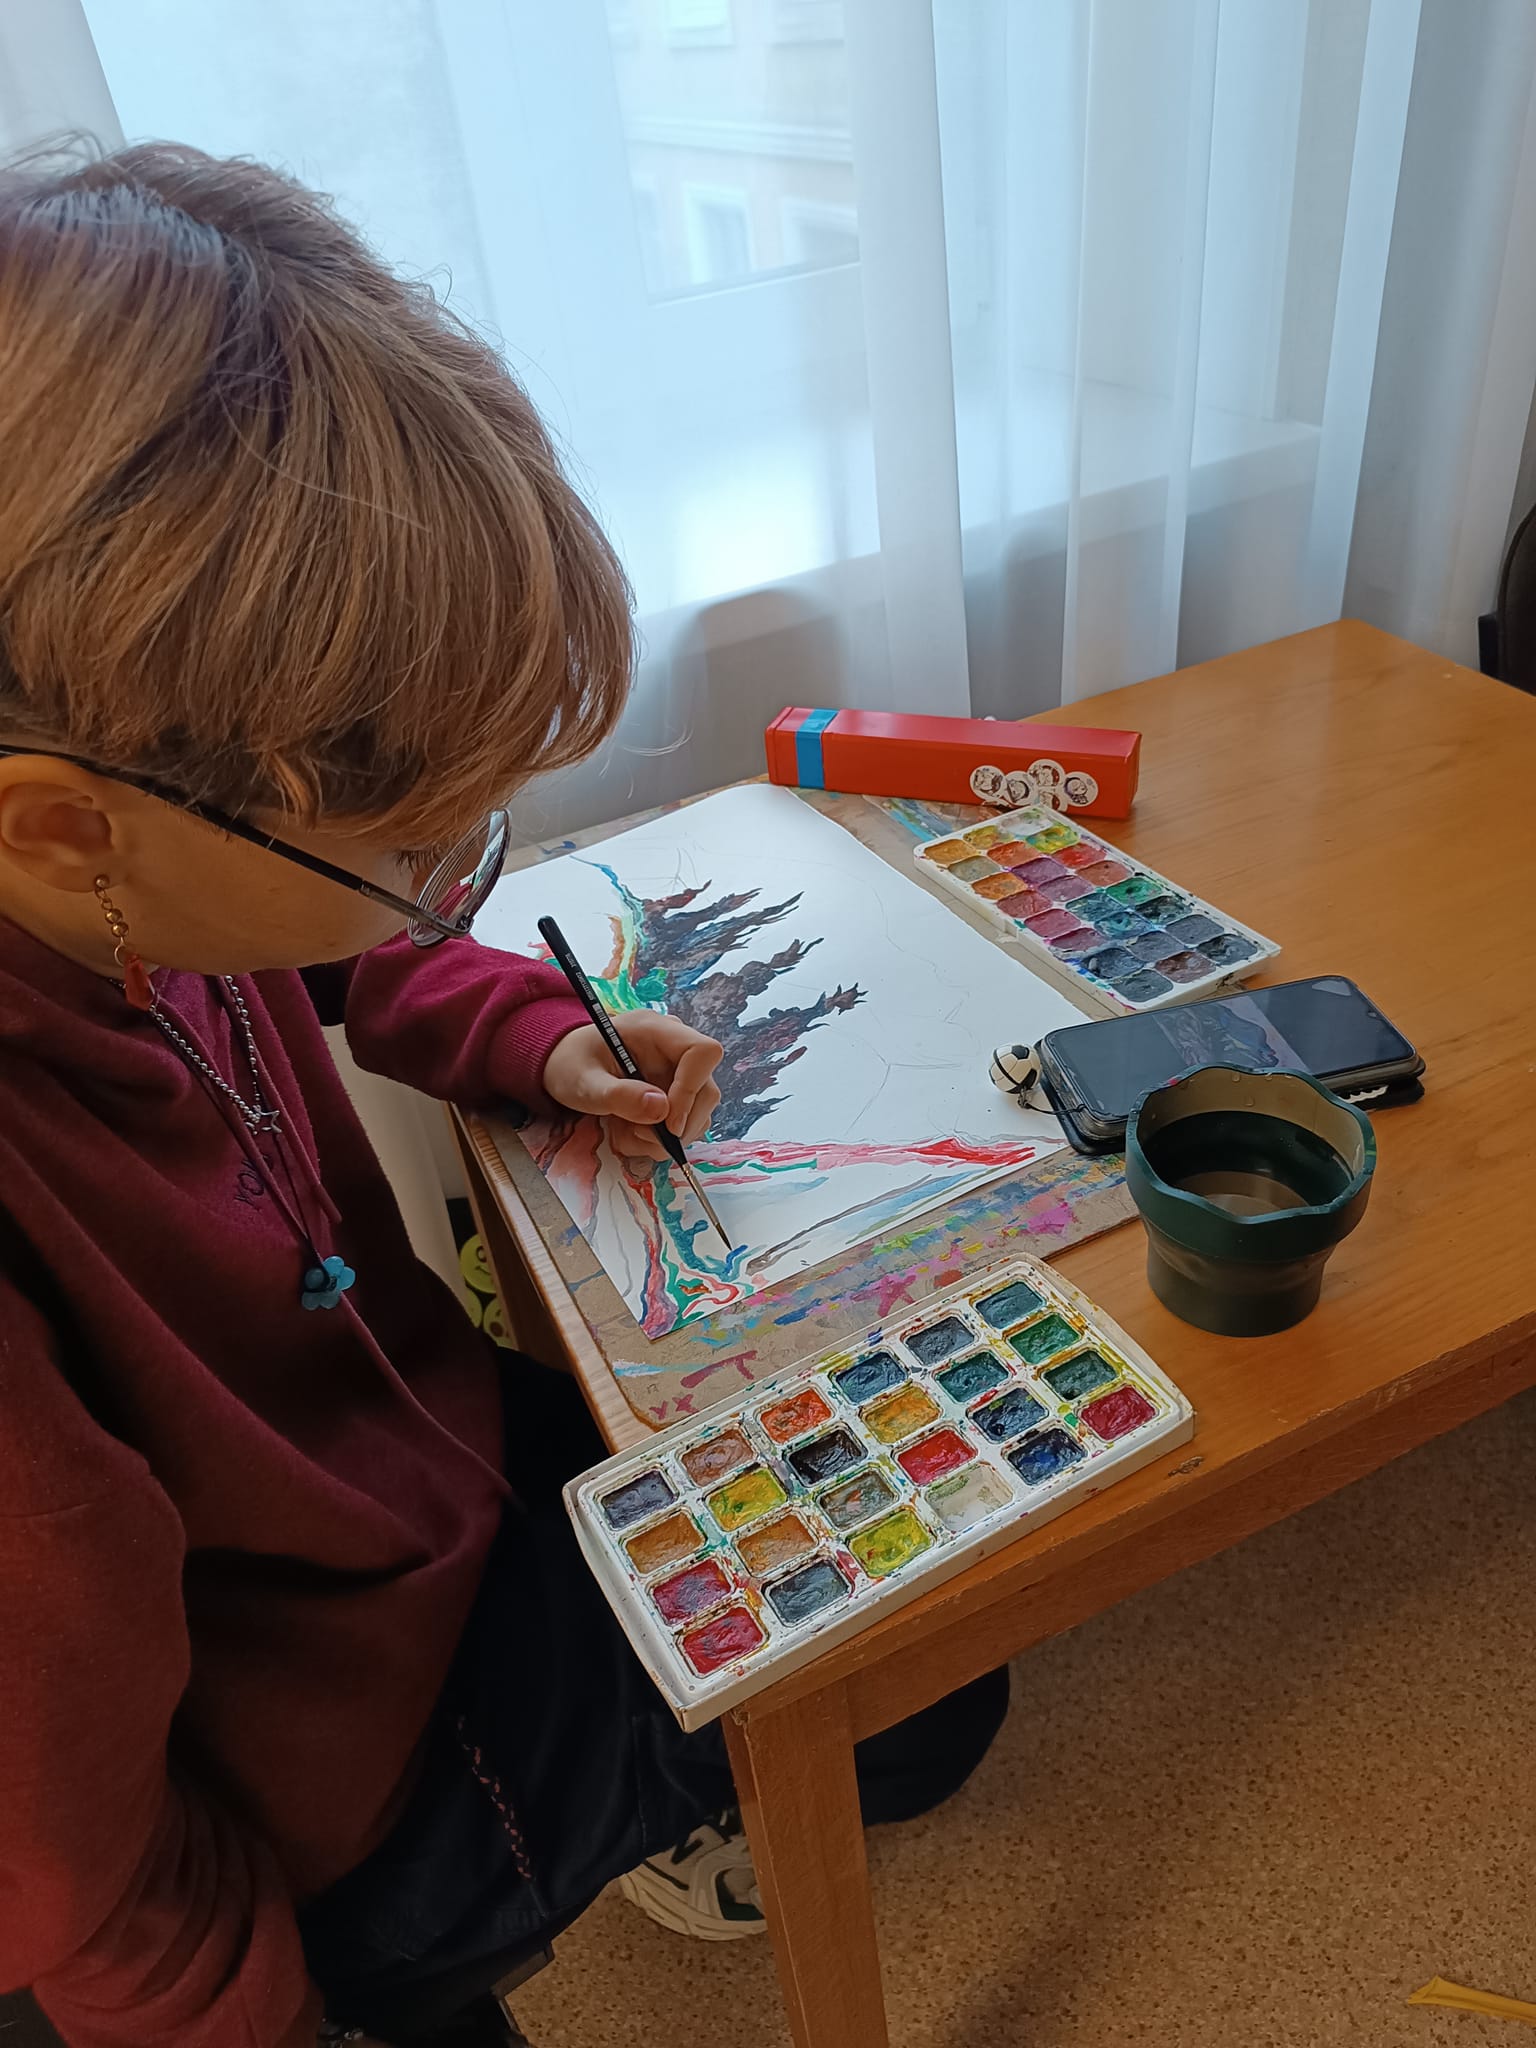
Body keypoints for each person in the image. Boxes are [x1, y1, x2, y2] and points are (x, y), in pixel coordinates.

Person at [0, 144, 1008, 2048]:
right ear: (68, 835)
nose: (452, 877)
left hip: (422, 1476)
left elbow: (326, 944)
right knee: (896, 1636)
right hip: (344, 1795)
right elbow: (81, 1886)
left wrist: (530, 1030)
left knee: (933, 1638)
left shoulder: (107, 856)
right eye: (425, 849)